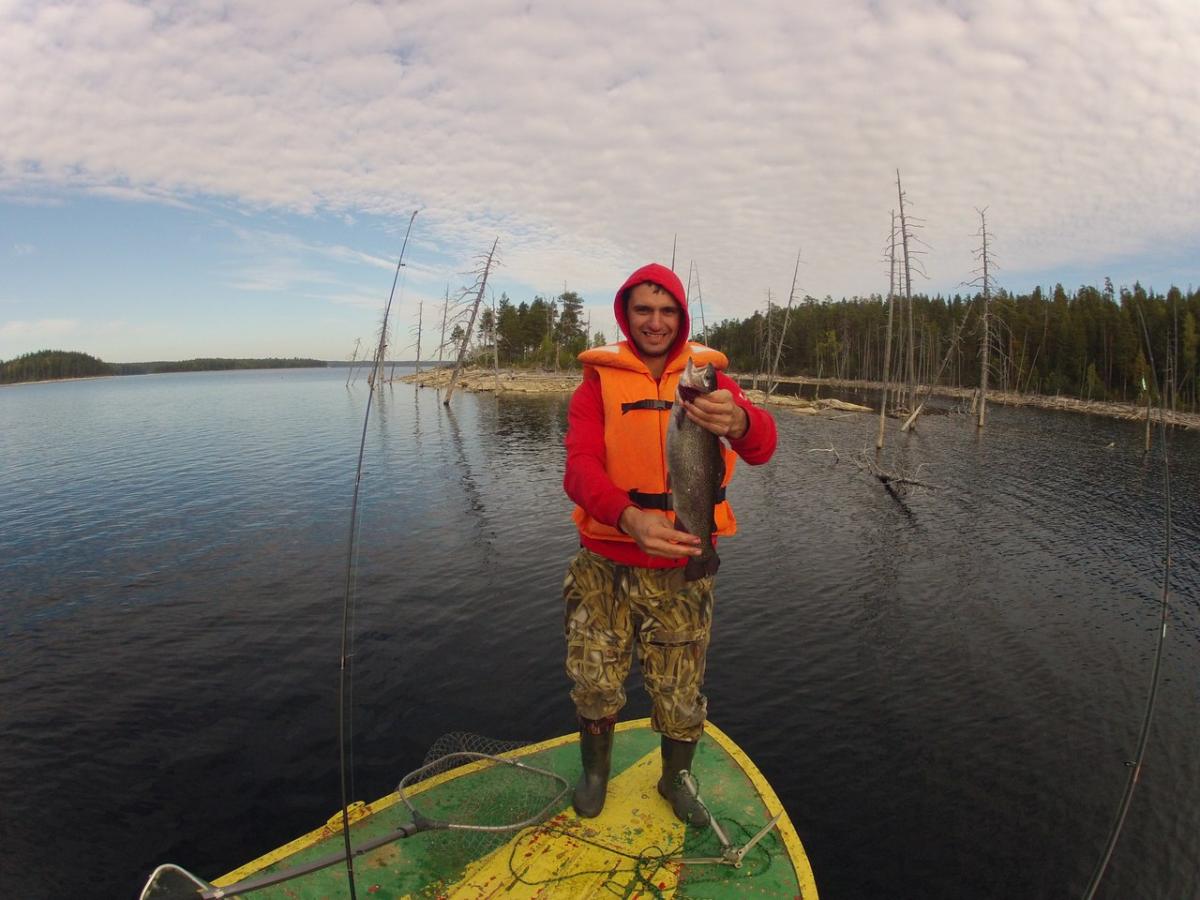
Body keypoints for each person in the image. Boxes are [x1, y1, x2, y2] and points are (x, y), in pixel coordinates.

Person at [562, 262, 778, 826]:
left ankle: (674, 779)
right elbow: (579, 470)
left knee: (681, 693)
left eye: (667, 311)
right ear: (625, 315)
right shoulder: (596, 384)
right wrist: (628, 517)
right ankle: (594, 774)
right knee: (594, 682)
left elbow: (763, 447)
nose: (655, 322)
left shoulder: (710, 381)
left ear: (681, 318)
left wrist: (741, 420)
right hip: (604, 564)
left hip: (685, 561)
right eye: (643, 310)